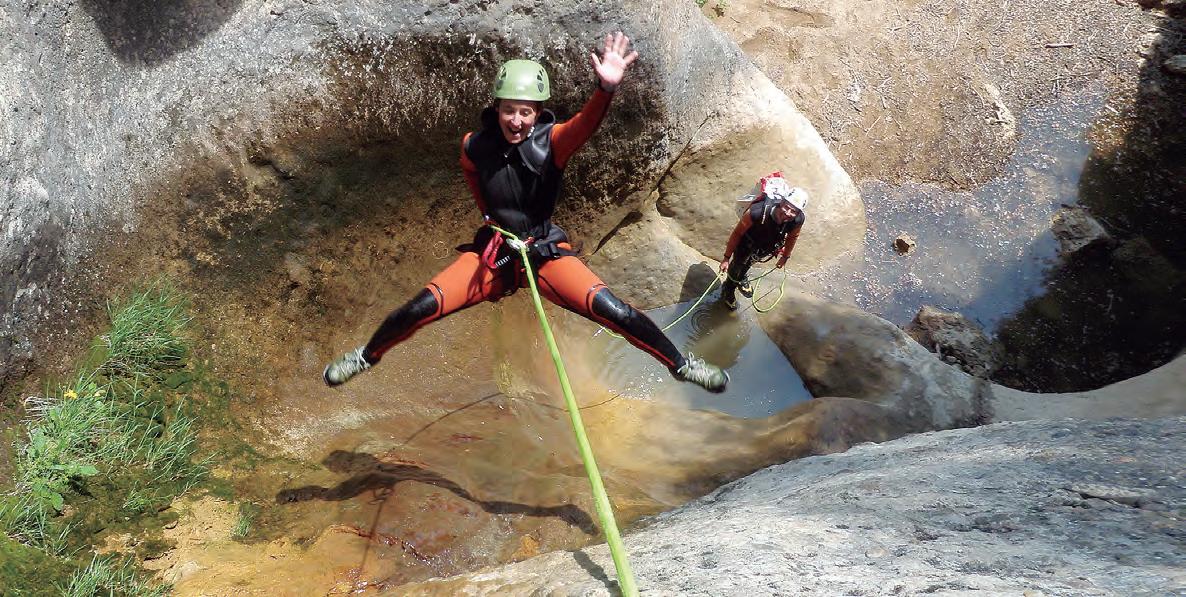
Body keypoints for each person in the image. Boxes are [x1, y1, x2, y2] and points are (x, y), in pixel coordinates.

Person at [324, 33, 729, 392]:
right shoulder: (473, 146)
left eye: (526, 112)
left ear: (537, 113)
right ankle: (366, 356)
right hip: (496, 255)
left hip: (542, 254)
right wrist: (492, 223)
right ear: (497, 108)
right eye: (509, 110)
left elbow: (584, 125)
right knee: (421, 307)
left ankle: (682, 365)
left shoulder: (552, 143)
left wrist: (605, 89)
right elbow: (476, 181)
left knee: (613, 310)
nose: (516, 121)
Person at [718, 172, 808, 310]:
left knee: (749, 263)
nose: (788, 213)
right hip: (747, 241)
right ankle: (728, 289)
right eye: (786, 207)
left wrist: (785, 256)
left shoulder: (797, 219)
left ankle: (742, 277)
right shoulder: (757, 211)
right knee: (738, 264)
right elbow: (737, 233)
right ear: (782, 202)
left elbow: (792, 237)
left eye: (793, 211)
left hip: (767, 244)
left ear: (798, 212)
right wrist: (726, 258)